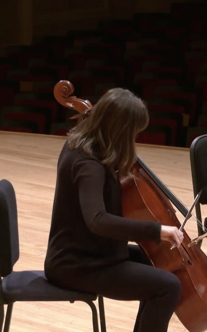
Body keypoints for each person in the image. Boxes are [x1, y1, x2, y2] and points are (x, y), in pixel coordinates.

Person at [44, 88, 184, 332]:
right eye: (132, 133)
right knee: (168, 286)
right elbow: (98, 221)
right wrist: (157, 230)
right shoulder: (88, 164)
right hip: (76, 264)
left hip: (93, 251)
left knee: (158, 262)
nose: (133, 140)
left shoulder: (81, 144)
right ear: (120, 129)